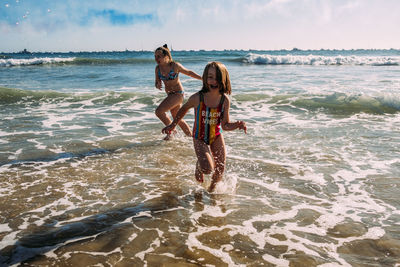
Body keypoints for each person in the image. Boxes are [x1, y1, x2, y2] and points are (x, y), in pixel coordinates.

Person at [162, 62, 247, 192]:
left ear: (224, 79)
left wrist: (237, 124)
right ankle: (199, 165)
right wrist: (172, 125)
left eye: (218, 77)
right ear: (205, 78)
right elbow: (183, 110)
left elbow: (225, 125)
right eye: (210, 77)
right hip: (199, 137)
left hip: (216, 135)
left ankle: (211, 191)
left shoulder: (224, 100)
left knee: (220, 169)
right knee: (208, 168)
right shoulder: (197, 98)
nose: (214, 81)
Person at [154, 44, 202, 140]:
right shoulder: (157, 69)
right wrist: (158, 84)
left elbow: (189, 72)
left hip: (178, 94)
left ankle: (171, 131)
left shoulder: (174, 66)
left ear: (166, 56)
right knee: (177, 118)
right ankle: (192, 138)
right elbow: (157, 81)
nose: (156, 58)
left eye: (159, 56)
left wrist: (202, 78)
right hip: (170, 95)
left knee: (159, 111)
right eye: (155, 56)